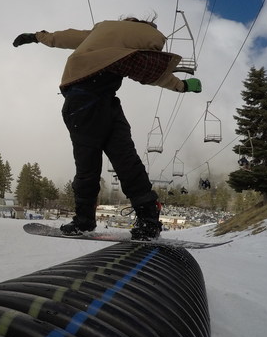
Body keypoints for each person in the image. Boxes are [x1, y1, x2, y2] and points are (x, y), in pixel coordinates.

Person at [13, 15, 202, 239]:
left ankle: (84, 221)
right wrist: (181, 86)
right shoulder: (138, 43)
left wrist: (36, 37)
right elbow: (152, 73)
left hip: (82, 101)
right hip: (108, 104)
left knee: (87, 165)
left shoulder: (101, 31)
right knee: (127, 161)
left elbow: (66, 37)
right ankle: (149, 222)